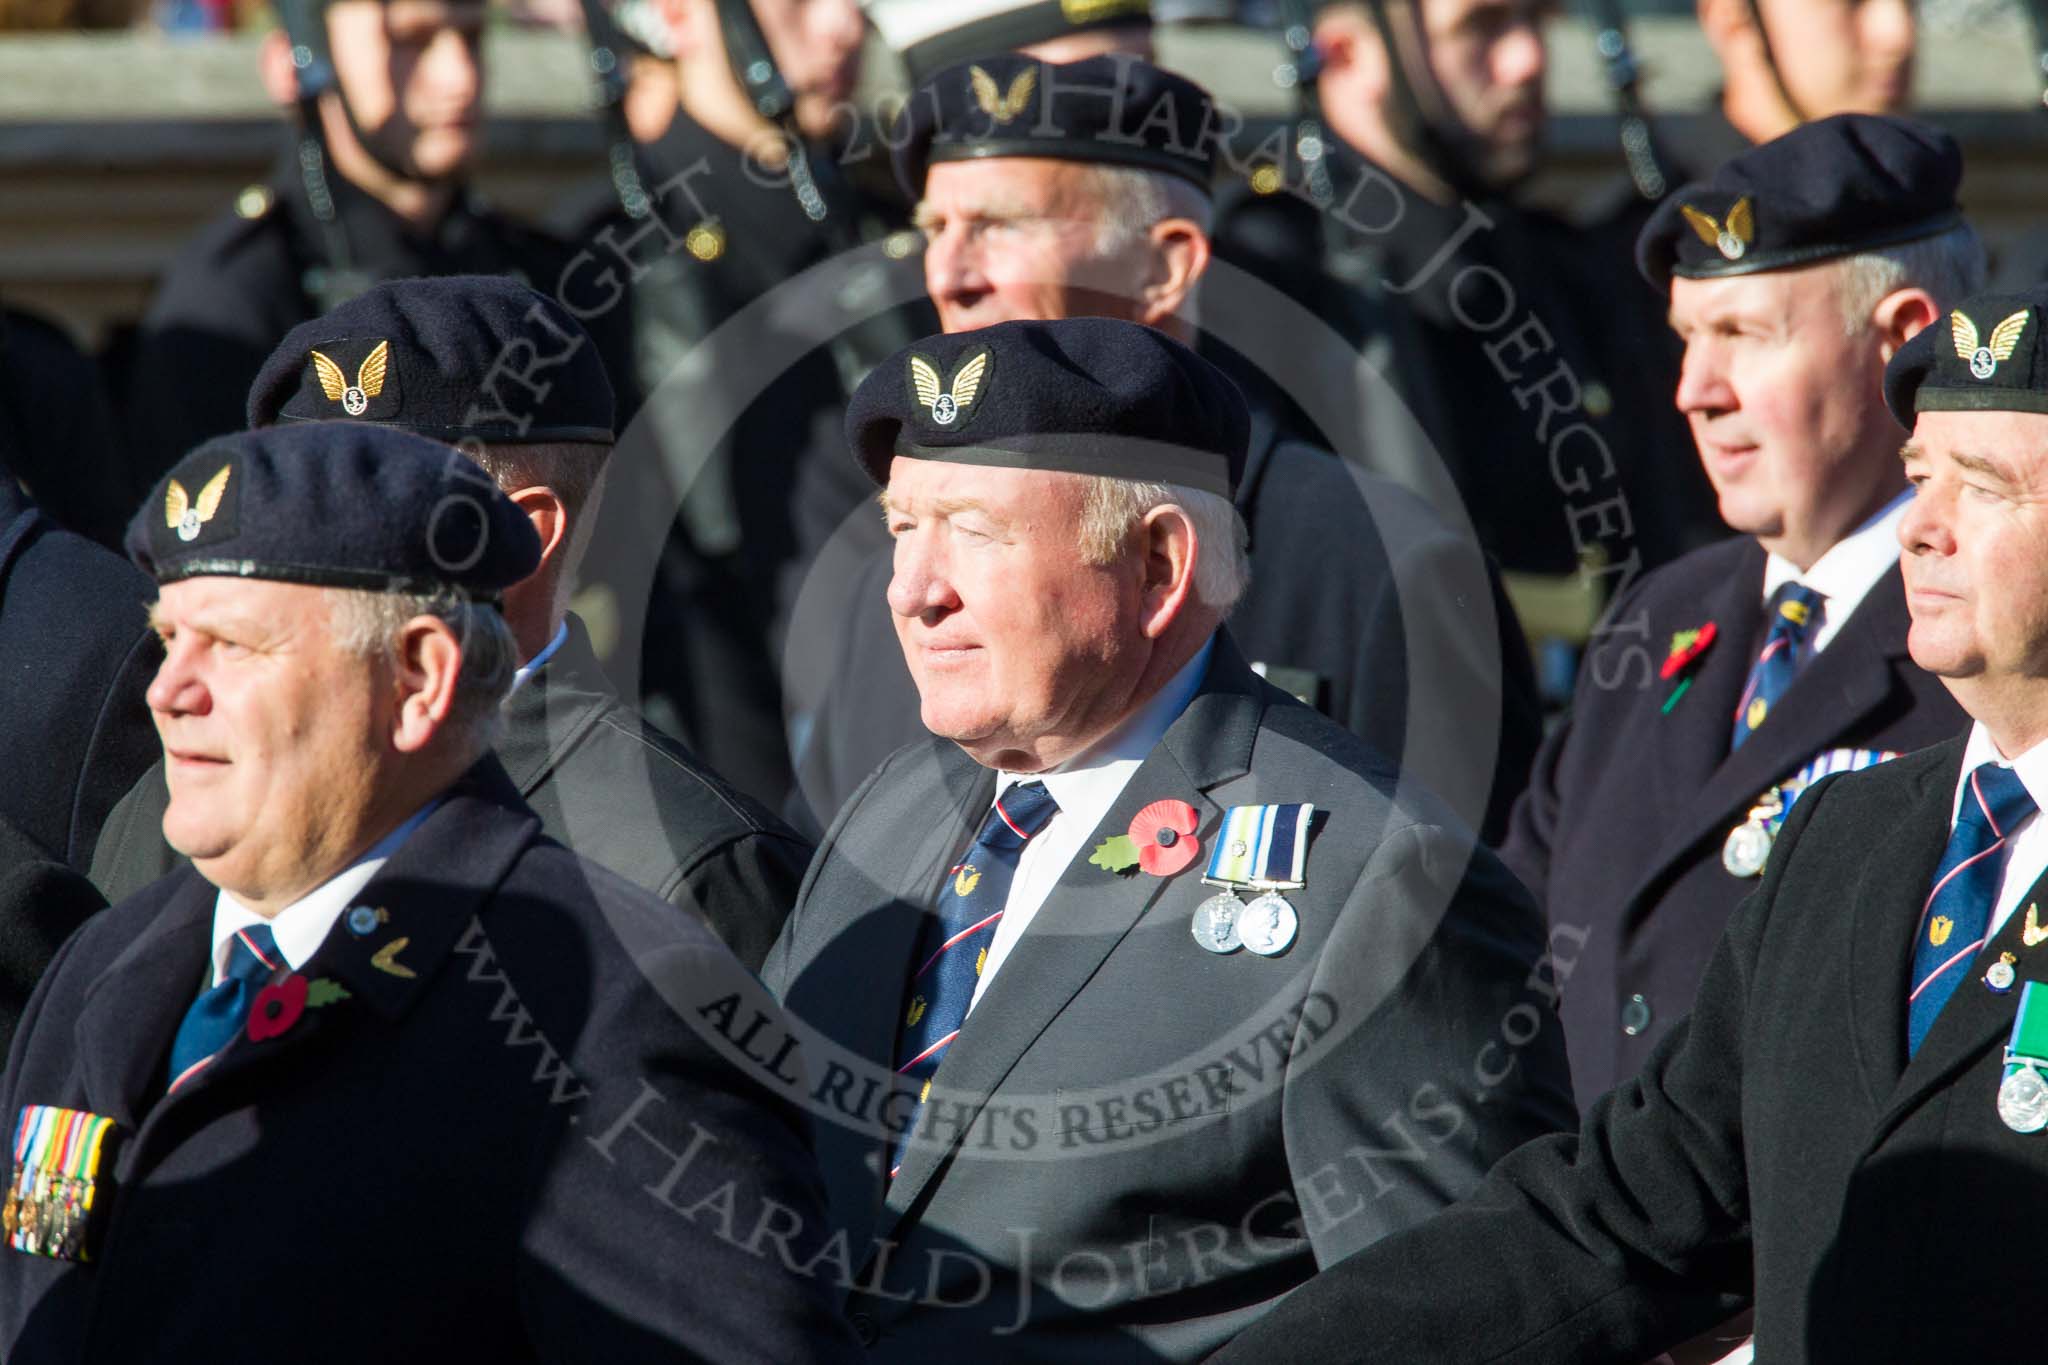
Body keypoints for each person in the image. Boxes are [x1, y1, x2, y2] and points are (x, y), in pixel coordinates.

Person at [1208, 279, 2048, 1363]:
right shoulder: (1849, 838)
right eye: (1918, 476)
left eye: (1981, 488)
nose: (1918, 531)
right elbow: (1627, 1217)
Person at [763, 317, 1575, 1358]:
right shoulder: (889, 810)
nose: (914, 591)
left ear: (1155, 565)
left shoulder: (1371, 877)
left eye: (972, 530)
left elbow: (1467, 1327)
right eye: (900, 529)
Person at [0, 421, 857, 1362]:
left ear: (417, 678)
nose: (170, 691)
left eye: (233, 645)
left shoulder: (613, 1015)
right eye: (168, 638)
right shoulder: (105, 962)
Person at [784, 53, 1541, 847]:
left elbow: (1466, 928)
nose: (948, 273)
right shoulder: (900, 590)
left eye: (1000, 225)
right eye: (935, 230)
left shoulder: (1381, 568)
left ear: (1164, 264)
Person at [90, 276, 808, 970]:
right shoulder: (184, 796)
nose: (280, 551)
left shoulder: (675, 861)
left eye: (344, 517)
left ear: (519, 538)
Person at [1501, 114, 1975, 1110]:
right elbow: (1518, 947)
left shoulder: (1988, 630)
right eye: (1684, 340)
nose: (1691, 392)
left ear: (1901, 339)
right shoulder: (1661, 615)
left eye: (1741, 337)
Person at [1210, 0, 1718, 581]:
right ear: (1347, 52)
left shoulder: (1559, 262)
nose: (1528, 59)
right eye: (1481, 26)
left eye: (1538, 21)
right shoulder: (1273, 275)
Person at [565, 0, 927, 810]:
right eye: (798, 3)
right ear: (678, 15)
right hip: (727, 757)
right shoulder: (609, 260)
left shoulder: (889, 219)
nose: (841, 28)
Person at [121, 0, 573, 487]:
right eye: (409, 42)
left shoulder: (536, 271)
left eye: (471, 38)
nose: (459, 77)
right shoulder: (236, 297)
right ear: (294, 64)